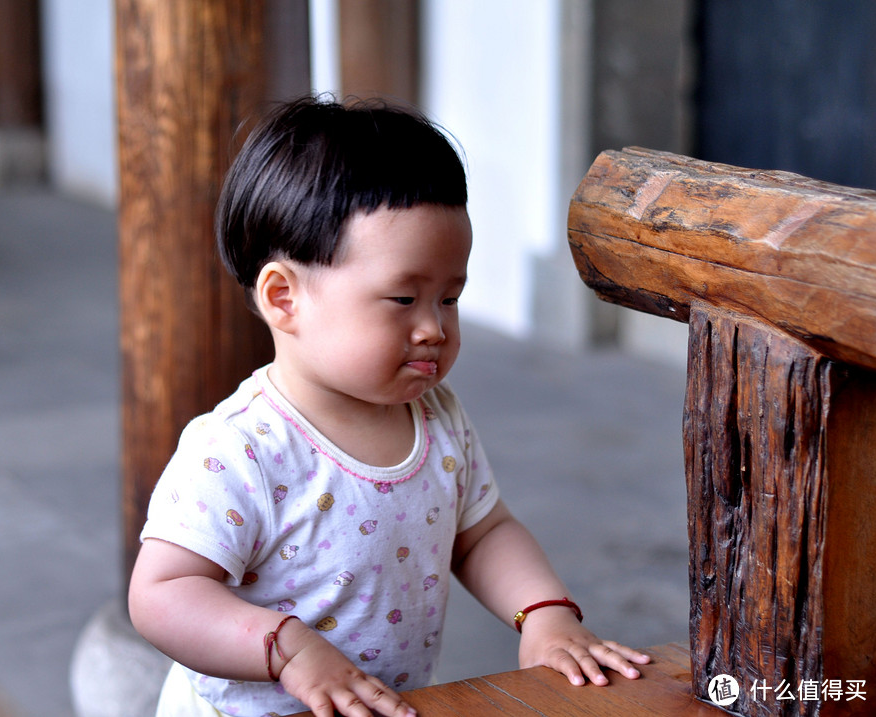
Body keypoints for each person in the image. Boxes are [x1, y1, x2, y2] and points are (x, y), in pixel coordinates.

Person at [128, 96, 650, 717]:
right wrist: (287, 651)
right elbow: (163, 594)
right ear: (284, 298)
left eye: (450, 298)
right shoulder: (241, 450)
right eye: (404, 298)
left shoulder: (437, 417)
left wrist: (544, 615)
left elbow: (482, 533)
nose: (433, 328)